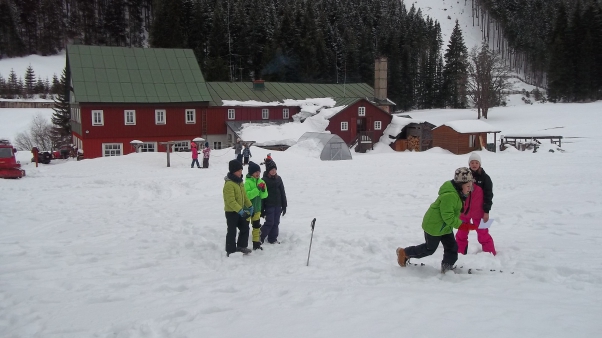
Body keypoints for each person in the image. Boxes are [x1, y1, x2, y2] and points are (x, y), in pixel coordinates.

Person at [396, 167, 474, 273]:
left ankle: (447, 267)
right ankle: (404, 253)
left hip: (445, 227)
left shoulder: (459, 194)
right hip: (434, 226)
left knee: (452, 247)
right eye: (468, 186)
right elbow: (448, 216)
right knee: (429, 249)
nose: (470, 188)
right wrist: (462, 225)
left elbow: (455, 212)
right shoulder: (450, 196)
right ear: (460, 185)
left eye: (471, 186)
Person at [456, 153, 496, 255]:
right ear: (469, 164)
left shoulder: (485, 178)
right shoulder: (465, 176)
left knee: (483, 233)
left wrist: (486, 211)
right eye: (472, 162)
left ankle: (490, 253)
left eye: (476, 162)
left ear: (480, 164)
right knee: (461, 233)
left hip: (480, 212)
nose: (474, 164)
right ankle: (459, 252)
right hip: (464, 212)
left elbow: (489, 196)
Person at [223, 159, 253, 256]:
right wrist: (240, 210)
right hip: (231, 212)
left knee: (245, 227)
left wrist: (250, 205)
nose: (241, 172)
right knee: (232, 231)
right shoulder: (229, 184)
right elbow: (230, 201)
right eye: (239, 171)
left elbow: (245, 196)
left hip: (241, 211)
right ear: (233, 171)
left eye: (241, 170)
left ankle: (241, 246)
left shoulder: (240, 183)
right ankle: (230, 250)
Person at [260, 160, 287, 244]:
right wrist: (262, 209)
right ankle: (261, 236)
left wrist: (284, 205)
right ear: (268, 170)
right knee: (270, 222)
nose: (273, 171)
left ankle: (272, 239)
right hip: (269, 205)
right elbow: (261, 196)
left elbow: (282, 192)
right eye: (272, 170)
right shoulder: (264, 180)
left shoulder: (279, 179)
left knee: (276, 222)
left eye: (275, 169)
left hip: (278, 205)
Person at [244, 161, 268, 250]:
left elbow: (264, 196)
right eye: (256, 172)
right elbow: (248, 195)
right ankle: (243, 245)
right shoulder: (247, 182)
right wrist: (257, 189)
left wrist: (263, 190)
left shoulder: (261, 181)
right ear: (251, 173)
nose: (258, 174)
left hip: (257, 208)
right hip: (247, 208)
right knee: (245, 228)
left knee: (256, 227)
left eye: (259, 172)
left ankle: (256, 244)